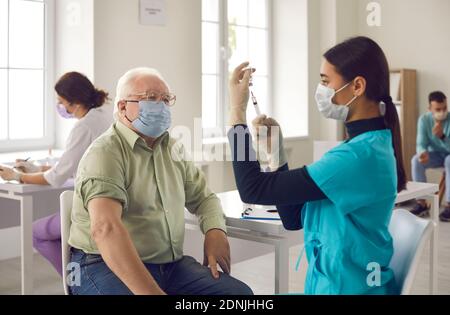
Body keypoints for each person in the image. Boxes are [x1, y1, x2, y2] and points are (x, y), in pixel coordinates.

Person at [227, 36, 406, 295]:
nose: (320, 90)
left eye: (325, 81)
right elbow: (292, 218)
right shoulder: (368, 146)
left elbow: (253, 189)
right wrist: (275, 150)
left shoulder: (356, 157)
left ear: (357, 86)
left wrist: (236, 113)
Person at [68, 67, 253, 295]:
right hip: (100, 264)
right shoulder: (106, 153)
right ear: (123, 106)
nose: (161, 105)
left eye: (166, 99)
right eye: (150, 98)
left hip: (169, 265)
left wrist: (215, 231)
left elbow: (204, 198)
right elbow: (106, 229)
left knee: (238, 296)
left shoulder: (173, 149)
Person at [0, 72, 113, 275]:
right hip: (113, 201)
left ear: (75, 102)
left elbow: (56, 177)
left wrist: (17, 176)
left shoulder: (84, 126)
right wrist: (37, 170)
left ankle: (74, 282)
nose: (60, 106)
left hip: (93, 208)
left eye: (61, 102)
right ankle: (83, 276)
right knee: (60, 234)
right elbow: (75, 166)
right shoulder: (104, 115)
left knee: (36, 232)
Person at [411, 91, 450, 222]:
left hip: (449, 156)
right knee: (416, 160)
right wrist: (422, 153)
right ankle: (421, 202)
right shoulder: (424, 120)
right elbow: (421, 143)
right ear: (430, 109)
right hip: (436, 156)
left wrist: (443, 137)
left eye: (445, 108)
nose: (442, 112)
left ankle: (449, 205)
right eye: (438, 109)